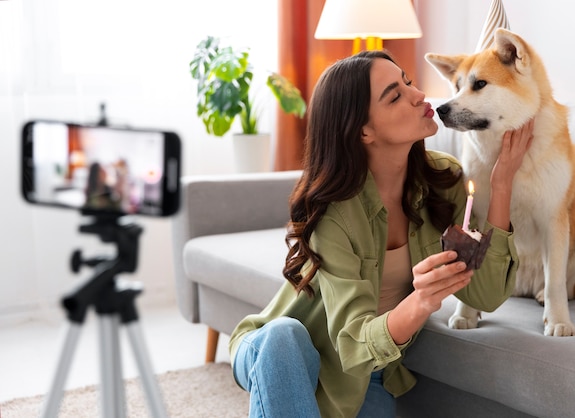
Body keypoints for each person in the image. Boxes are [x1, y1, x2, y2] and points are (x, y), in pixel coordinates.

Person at [229, 50, 534, 418]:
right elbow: (351, 344)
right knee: (284, 336)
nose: (419, 95)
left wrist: (502, 183)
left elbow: (485, 296)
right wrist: (421, 300)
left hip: (365, 376)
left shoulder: (444, 181)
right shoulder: (334, 210)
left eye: (408, 81)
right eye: (395, 95)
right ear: (363, 130)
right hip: (282, 354)